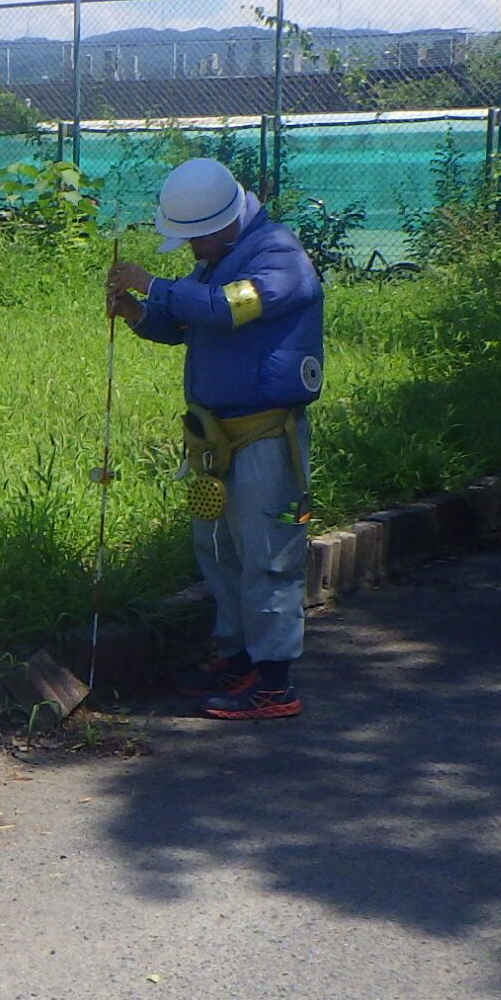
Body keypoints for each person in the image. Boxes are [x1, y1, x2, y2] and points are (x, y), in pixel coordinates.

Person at [105, 157, 324, 721]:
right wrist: (136, 312)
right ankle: (239, 657)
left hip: (265, 437)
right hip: (214, 439)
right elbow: (182, 323)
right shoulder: (220, 256)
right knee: (219, 549)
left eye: (193, 238)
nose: (190, 250)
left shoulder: (280, 258)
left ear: (224, 223)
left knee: (269, 557)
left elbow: (226, 310)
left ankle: (275, 683)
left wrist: (151, 284)